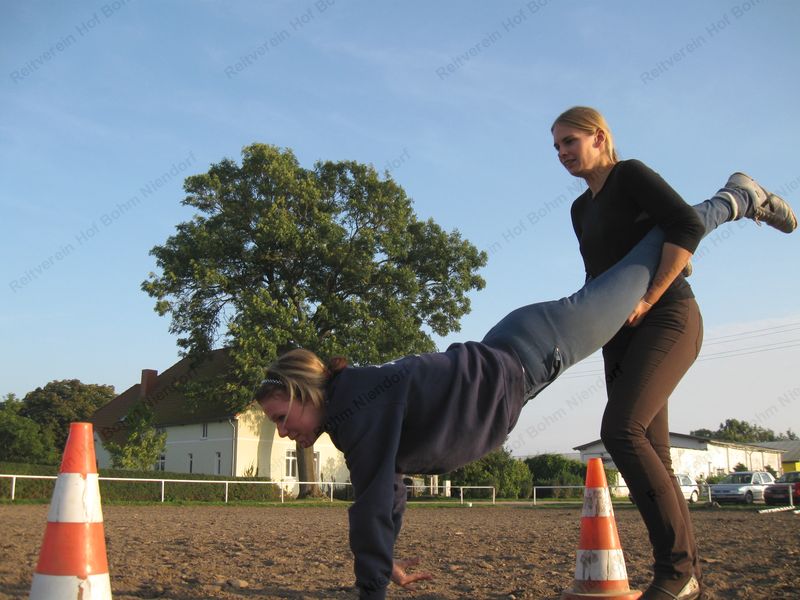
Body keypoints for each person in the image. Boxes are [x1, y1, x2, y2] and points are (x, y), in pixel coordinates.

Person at [254, 172, 795, 600]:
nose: (282, 432)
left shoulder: (354, 409)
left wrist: (370, 587)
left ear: (305, 395)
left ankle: (737, 198)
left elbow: (370, 505)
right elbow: (387, 488)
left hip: (537, 345)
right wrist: (384, 560)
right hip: (514, 347)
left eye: (281, 418)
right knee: (634, 270)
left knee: (647, 256)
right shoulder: (355, 409)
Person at [551, 106, 796, 600]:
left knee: (620, 430)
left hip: (668, 316)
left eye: (569, 141)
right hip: (619, 332)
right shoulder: (579, 210)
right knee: (650, 448)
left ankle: (677, 571)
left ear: (599, 137)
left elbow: (685, 225)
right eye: (556, 147)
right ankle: (685, 577)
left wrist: (651, 294)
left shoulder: (630, 175)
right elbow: (598, 272)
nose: (562, 153)